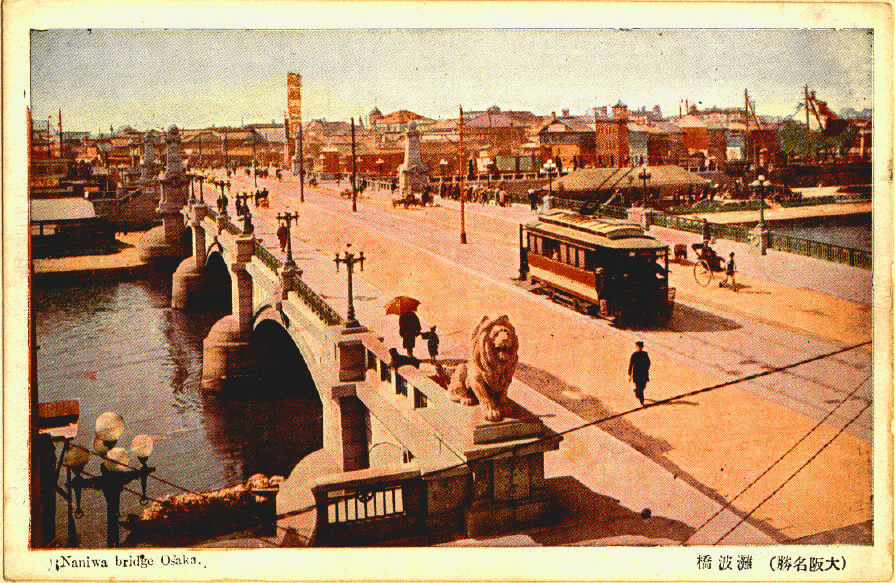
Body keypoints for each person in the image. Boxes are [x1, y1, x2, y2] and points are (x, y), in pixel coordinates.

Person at [628, 341, 650, 406]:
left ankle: (637, 392)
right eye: (637, 347)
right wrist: (629, 375)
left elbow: (648, 362)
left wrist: (646, 368)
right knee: (640, 389)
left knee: (643, 386)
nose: (638, 348)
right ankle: (642, 402)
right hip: (636, 374)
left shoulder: (645, 354)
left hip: (643, 374)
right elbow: (630, 365)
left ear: (642, 347)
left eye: (639, 347)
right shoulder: (634, 355)